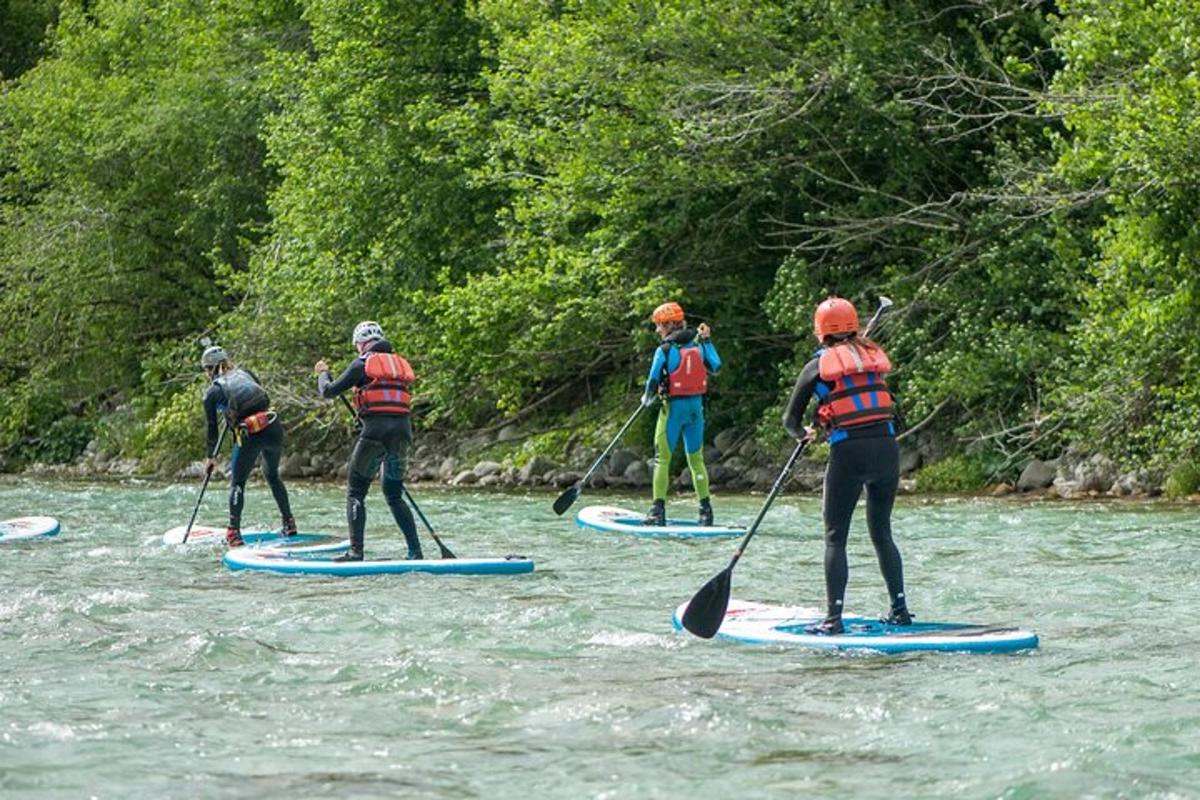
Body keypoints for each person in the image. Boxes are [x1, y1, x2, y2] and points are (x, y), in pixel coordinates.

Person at [781, 297, 911, 634]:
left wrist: (803, 433)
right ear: (853, 326)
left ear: (820, 332)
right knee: (882, 533)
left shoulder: (816, 366)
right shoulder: (870, 357)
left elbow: (789, 421)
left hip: (849, 453)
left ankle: (832, 620)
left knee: (835, 538)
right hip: (886, 450)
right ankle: (900, 611)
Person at [314, 321, 422, 562]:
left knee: (355, 492)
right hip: (403, 434)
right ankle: (415, 551)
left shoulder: (362, 363)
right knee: (394, 494)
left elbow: (329, 391)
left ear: (361, 344)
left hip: (375, 434)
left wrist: (323, 373)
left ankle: (356, 552)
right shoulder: (399, 365)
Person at [201, 345, 297, 548]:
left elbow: (212, 429)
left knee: (237, 483)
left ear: (210, 369)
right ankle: (289, 523)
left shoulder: (212, 392)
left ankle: (234, 533)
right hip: (272, 427)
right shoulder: (246, 373)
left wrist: (211, 458)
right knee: (272, 475)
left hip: (249, 434)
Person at [640, 301, 722, 526]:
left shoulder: (664, 350)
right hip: (696, 409)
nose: (657, 330)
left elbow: (653, 380)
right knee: (696, 460)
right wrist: (707, 340)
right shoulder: (699, 344)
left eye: (659, 326)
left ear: (668, 325)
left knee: (662, 459)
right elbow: (716, 366)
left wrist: (647, 399)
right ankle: (706, 512)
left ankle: (658, 511)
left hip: (673, 410)